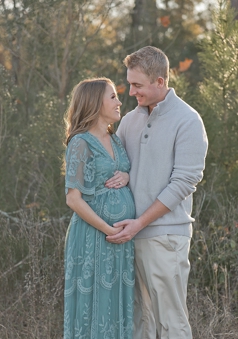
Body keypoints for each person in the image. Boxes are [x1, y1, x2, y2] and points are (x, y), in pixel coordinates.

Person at [106, 46, 208, 339]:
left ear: (160, 81)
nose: (130, 92)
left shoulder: (188, 121)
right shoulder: (128, 121)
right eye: (129, 84)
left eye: (137, 85)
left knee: (171, 322)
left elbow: (184, 182)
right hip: (130, 236)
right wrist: (125, 173)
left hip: (166, 237)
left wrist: (141, 222)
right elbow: (122, 164)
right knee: (141, 324)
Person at [63, 78, 136, 338]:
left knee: (116, 306)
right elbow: (73, 198)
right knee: (94, 307)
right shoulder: (80, 142)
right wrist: (109, 230)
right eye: (113, 97)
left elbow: (123, 172)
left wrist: (126, 177)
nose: (119, 102)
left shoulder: (115, 139)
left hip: (121, 239)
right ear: (95, 102)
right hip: (94, 237)